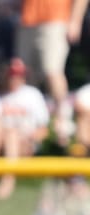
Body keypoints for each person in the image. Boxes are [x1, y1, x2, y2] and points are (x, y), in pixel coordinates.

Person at [15, 0, 89, 146]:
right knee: (25, 75)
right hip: (27, 20)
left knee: (52, 71)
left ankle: (63, 120)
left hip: (56, 19)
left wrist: (75, 20)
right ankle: (30, 126)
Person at [0, 58, 49, 199]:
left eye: (20, 75)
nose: (16, 78)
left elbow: (43, 130)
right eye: (13, 74)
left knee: (12, 134)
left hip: (25, 144)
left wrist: (29, 138)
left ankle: (8, 181)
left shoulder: (33, 94)